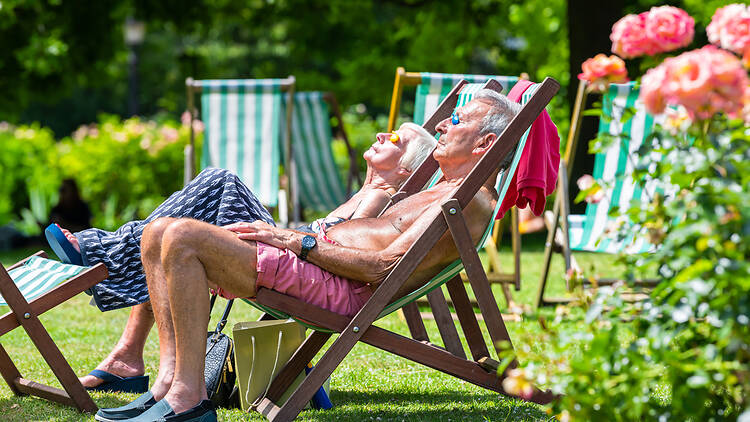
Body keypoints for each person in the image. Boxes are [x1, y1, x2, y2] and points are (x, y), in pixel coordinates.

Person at [94, 89, 521, 422]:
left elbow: (383, 267)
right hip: (321, 265)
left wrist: (298, 241)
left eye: (459, 120)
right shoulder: (441, 188)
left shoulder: (467, 202)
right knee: (157, 232)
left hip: (339, 284)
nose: (445, 124)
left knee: (183, 235)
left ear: (485, 143)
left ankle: (189, 399)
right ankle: (169, 383)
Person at [49, 122, 436, 391]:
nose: (384, 134)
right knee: (190, 212)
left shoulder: (380, 197)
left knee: (221, 181)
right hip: (286, 246)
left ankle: (102, 252)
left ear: (404, 168)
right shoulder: (364, 191)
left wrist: (285, 234)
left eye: (397, 138)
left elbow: (334, 250)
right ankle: (126, 349)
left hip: (291, 257)